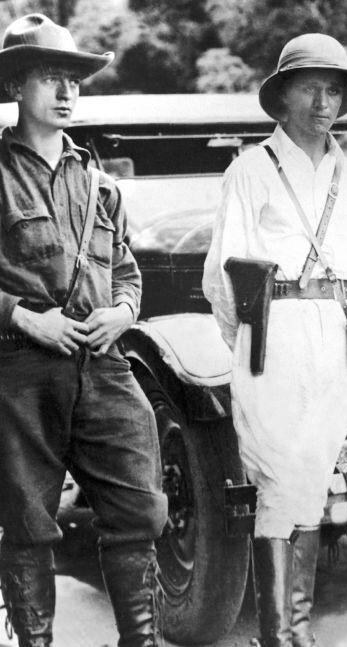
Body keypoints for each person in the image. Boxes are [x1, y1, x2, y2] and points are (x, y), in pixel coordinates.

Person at [0, 13, 168, 647]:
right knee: (28, 523)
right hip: (20, 369)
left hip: (103, 366)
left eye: (74, 79)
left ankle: (140, 641)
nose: (67, 92)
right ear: (17, 86)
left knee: (139, 511)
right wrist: (22, 317)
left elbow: (127, 271)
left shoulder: (99, 183)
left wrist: (124, 312)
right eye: (50, 77)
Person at [202, 33, 347, 647]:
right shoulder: (250, 169)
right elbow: (223, 275)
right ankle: (282, 635)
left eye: (333, 90)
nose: (322, 103)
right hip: (271, 335)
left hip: (336, 339)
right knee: (279, 478)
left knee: (312, 475)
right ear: (282, 98)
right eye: (309, 88)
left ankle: (292, 630)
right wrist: (251, 343)